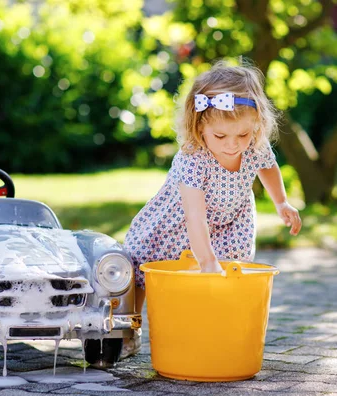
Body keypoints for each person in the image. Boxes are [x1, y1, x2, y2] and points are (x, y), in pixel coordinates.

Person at [121, 61, 302, 358]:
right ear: (200, 125)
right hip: (179, 221)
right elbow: (195, 216)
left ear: (256, 124)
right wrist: (206, 260)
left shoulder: (254, 144)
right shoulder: (193, 158)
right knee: (141, 268)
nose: (233, 145)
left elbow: (269, 167)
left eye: (242, 135)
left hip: (231, 219)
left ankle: (216, 323)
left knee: (229, 269)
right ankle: (131, 326)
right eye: (221, 137)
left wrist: (281, 201)